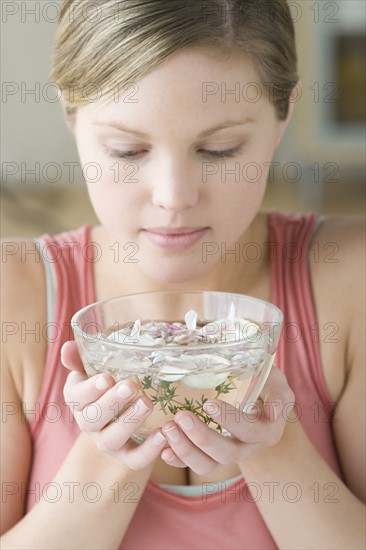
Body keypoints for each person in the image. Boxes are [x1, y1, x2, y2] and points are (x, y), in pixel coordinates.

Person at [1, 1, 364, 548]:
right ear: (71, 115)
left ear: (284, 113)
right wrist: (109, 459)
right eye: (128, 150)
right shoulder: (13, 295)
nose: (174, 199)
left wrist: (273, 443)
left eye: (220, 150)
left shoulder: (351, 275)